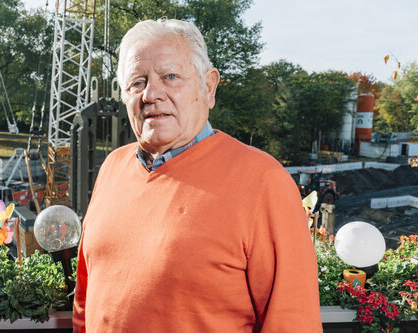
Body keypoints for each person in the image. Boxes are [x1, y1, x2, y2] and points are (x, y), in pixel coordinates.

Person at [72, 19, 322, 332]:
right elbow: (86, 300)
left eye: (170, 77)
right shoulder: (111, 169)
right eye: (137, 82)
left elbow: (292, 320)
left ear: (208, 87)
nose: (151, 94)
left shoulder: (262, 181)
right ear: (124, 95)